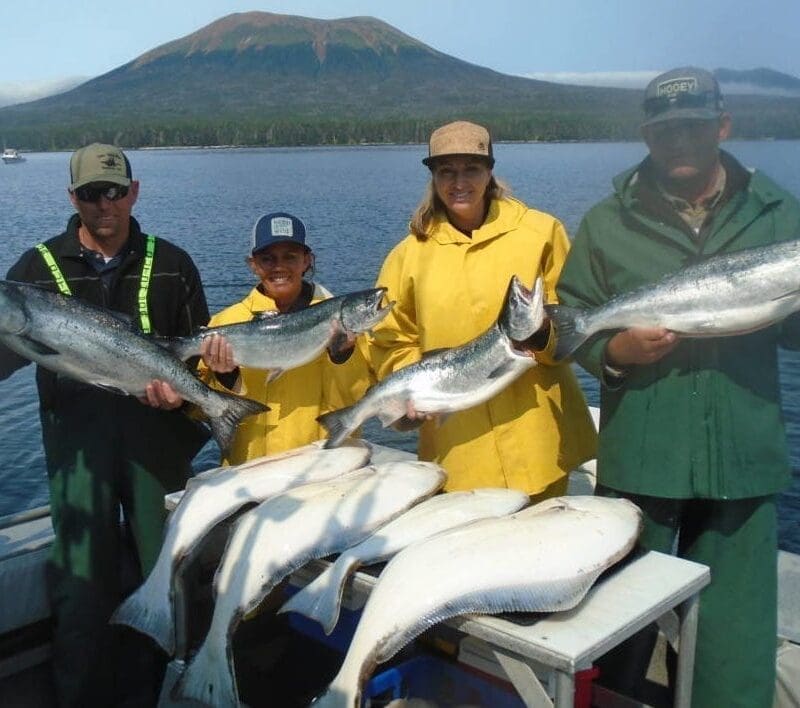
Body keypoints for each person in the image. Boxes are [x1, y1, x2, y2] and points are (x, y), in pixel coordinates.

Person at [555, 67, 800, 707]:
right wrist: (616, 350)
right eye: (667, 132)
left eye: (694, 127)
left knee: (734, 645)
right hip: (642, 458)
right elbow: (572, 319)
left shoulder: (780, 216)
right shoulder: (607, 222)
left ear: (722, 126)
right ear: (647, 136)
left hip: (744, 464)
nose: (681, 142)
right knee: (614, 639)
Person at [0, 143, 210, 707]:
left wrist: (187, 401)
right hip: (77, 454)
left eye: (115, 191)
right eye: (92, 194)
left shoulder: (173, 263)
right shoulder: (32, 272)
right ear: (73, 198)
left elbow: (201, 368)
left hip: (158, 450)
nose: (105, 205)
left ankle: (162, 694)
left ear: (134, 192)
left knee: (164, 580)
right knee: (79, 590)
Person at [368, 120, 597, 497]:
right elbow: (389, 341)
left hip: (539, 441)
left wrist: (544, 336)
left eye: (471, 169)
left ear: (490, 170)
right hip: (457, 447)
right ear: (433, 177)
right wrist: (411, 390)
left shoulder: (541, 232)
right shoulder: (406, 257)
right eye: (447, 171)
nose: (459, 182)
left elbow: (575, 319)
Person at [200, 211, 373, 465]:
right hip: (249, 467)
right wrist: (226, 377)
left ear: (307, 260)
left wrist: (342, 357)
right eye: (268, 259)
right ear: (253, 264)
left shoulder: (341, 324)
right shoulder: (224, 324)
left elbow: (355, 404)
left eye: (290, 257)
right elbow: (205, 410)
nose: (279, 267)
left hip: (322, 465)